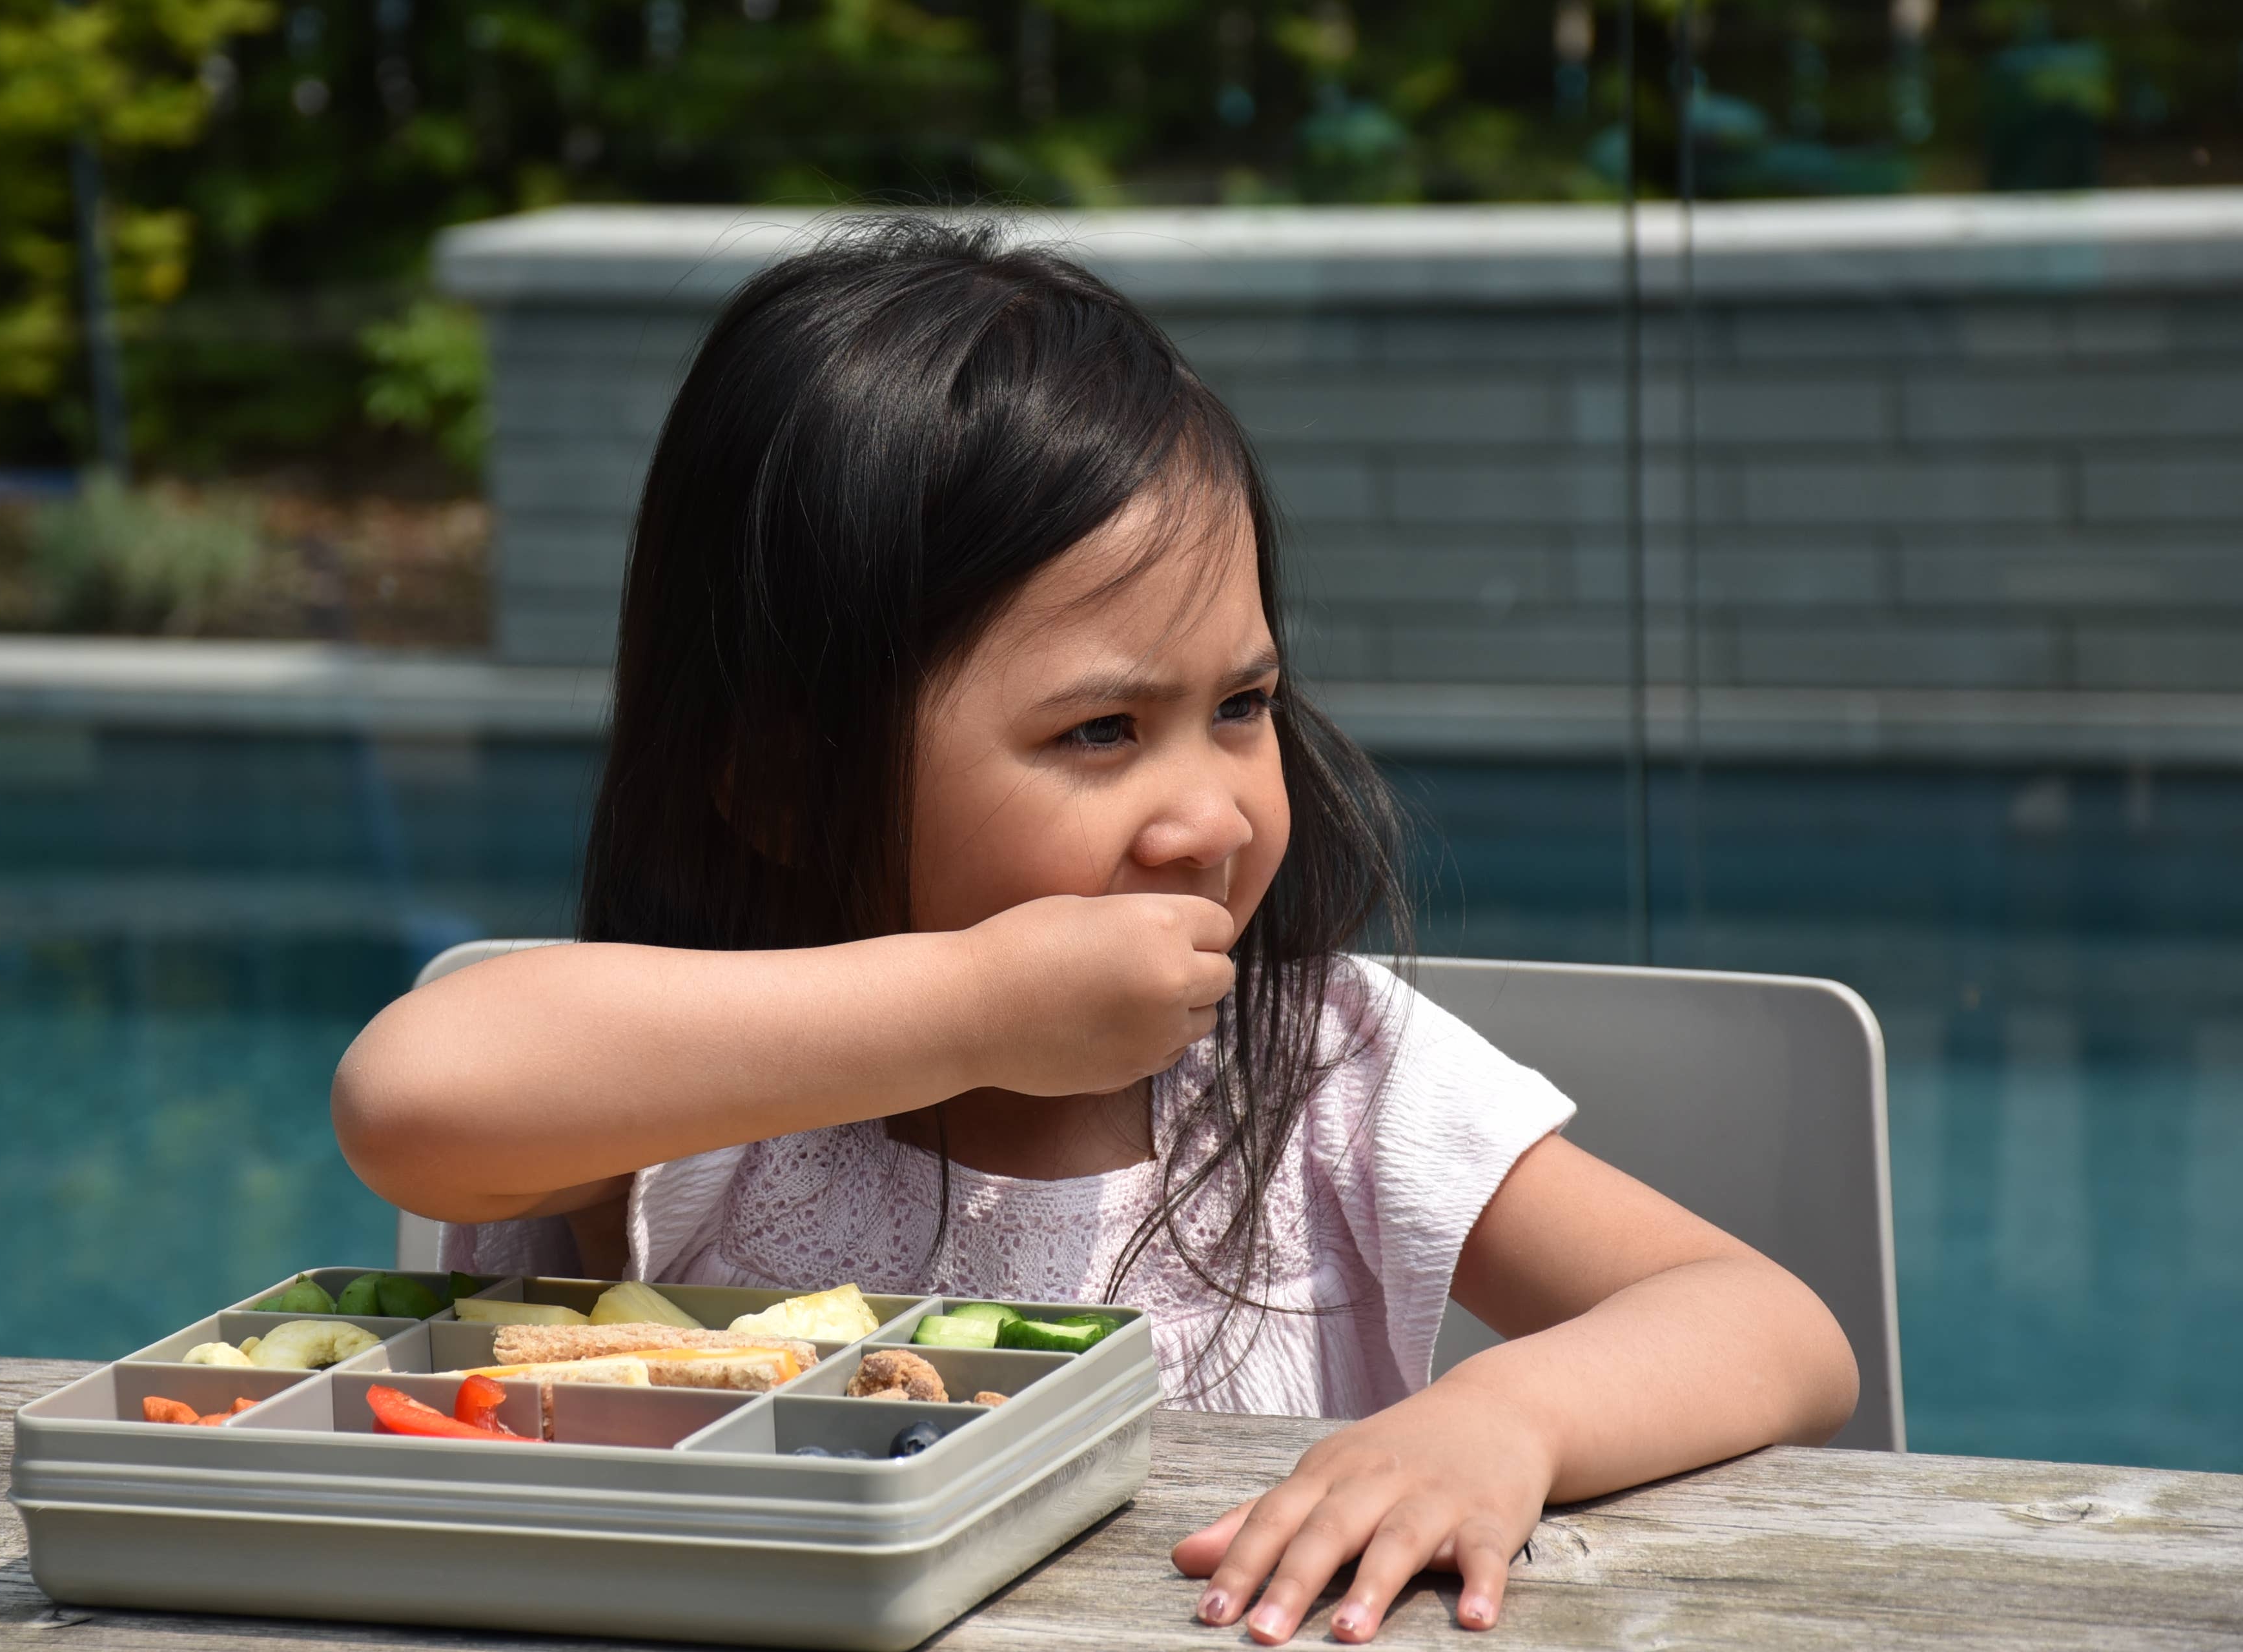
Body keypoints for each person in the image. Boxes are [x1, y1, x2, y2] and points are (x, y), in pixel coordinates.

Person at [331, 216, 1858, 1643]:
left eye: (1242, 707)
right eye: (1103, 729)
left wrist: (1500, 1419)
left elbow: (1771, 1325)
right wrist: (976, 1003)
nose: (1208, 814)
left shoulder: (1315, 1072)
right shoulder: (694, 1087)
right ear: (790, 790)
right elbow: (410, 1097)